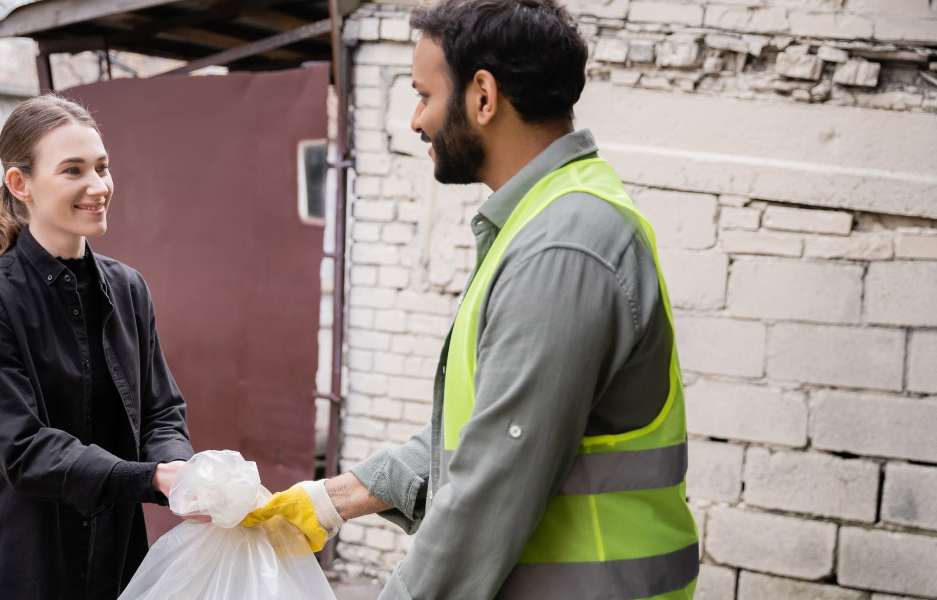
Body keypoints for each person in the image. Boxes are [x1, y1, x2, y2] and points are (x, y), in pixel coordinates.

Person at [242, 0, 701, 598]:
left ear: (483, 97)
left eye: (424, 94)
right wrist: (331, 499)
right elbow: (484, 434)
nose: (416, 120)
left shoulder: (563, 246)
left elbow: (490, 486)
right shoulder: (547, 219)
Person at [0, 95, 195, 600]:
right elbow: (24, 449)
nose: (98, 186)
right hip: (21, 565)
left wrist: (184, 471)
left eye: (102, 167)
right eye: (73, 170)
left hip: (116, 562)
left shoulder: (129, 288)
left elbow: (160, 411)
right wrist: (150, 479)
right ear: (21, 185)